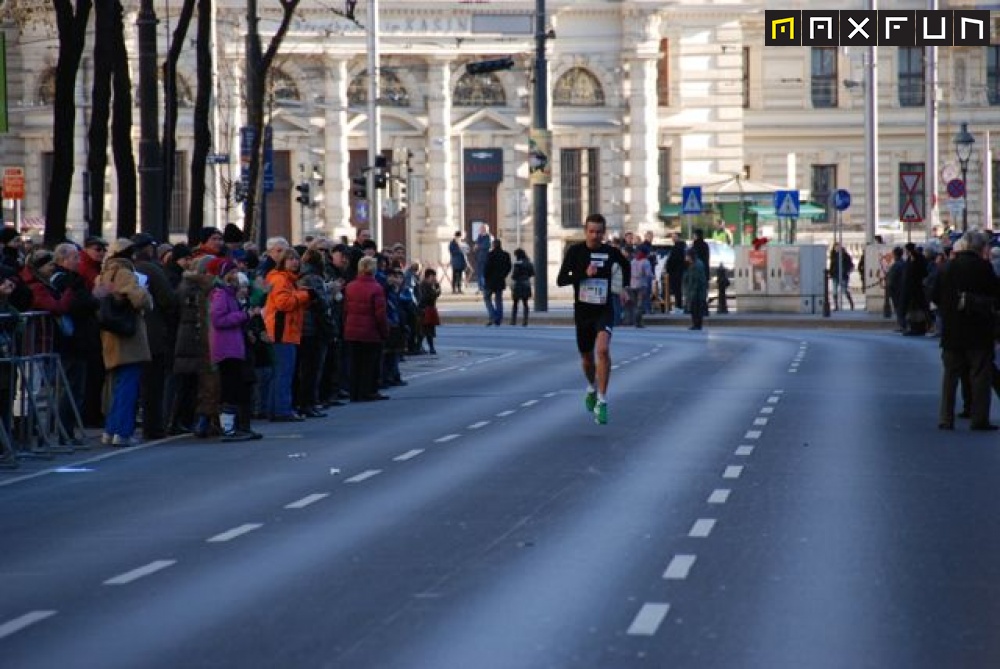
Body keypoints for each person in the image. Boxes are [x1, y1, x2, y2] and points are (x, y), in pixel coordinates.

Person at [556, 213, 630, 425]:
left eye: (599, 232)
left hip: (604, 309)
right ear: (585, 231)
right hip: (583, 312)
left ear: (603, 232)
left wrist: (623, 287)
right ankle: (591, 387)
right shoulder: (575, 252)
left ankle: (602, 400)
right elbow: (561, 280)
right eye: (591, 231)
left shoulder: (611, 252)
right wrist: (584, 273)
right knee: (588, 359)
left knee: (603, 350)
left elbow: (625, 267)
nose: (595, 236)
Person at [931, 230, 1000, 431]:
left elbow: (934, 295)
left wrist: (948, 309)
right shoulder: (984, 268)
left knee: (950, 376)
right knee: (980, 376)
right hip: (979, 330)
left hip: (952, 330)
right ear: (981, 248)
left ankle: (946, 418)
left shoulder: (946, 268)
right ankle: (979, 419)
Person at [343, 256, 389, 402]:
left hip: (352, 330)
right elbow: (380, 314)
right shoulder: (376, 288)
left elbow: (345, 310)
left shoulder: (350, 286)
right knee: (370, 364)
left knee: (354, 363)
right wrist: (384, 331)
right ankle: (368, 391)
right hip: (370, 331)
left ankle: (354, 392)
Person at [483, 238, 512, 327]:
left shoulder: (490, 255)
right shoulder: (506, 255)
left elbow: (487, 268)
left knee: (487, 298)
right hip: (500, 280)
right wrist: (503, 275)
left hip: (490, 281)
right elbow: (509, 267)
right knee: (498, 300)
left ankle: (493, 316)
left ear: (493, 245)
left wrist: (485, 277)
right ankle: (498, 319)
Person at [682, 248, 708, 330]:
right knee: (695, 308)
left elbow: (695, 280)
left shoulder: (696, 265)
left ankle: (697, 324)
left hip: (697, 291)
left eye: (687, 256)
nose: (685, 257)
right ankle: (696, 324)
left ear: (690, 256)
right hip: (696, 290)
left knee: (695, 308)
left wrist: (691, 293)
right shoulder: (694, 264)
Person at [417, 268, 441, 354]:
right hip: (425, 309)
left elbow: (435, 295)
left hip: (430, 309)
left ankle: (430, 347)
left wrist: (437, 288)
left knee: (429, 330)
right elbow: (427, 297)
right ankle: (420, 347)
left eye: (435, 276)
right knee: (424, 330)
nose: (434, 278)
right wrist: (436, 291)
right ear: (428, 277)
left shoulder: (430, 285)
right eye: (432, 276)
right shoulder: (424, 285)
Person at [510, 248, 534, 327]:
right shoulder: (528, 262)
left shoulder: (517, 263)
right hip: (526, 283)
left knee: (515, 303)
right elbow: (532, 273)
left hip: (518, 284)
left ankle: (513, 320)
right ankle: (525, 320)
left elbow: (514, 275)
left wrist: (514, 278)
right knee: (525, 303)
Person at [829, 242, 855, 310]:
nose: (836, 248)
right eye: (835, 247)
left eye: (838, 247)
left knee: (844, 290)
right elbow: (832, 266)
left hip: (843, 275)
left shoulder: (845, 255)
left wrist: (847, 271)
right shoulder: (833, 256)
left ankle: (851, 303)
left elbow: (851, 265)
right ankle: (836, 306)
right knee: (834, 291)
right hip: (835, 275)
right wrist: (830, 273)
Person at [474, 225, 492, 293]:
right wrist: (476, 247)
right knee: (479, 273)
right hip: (479, 258)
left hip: (485, 258)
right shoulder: (479, 236)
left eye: (481, 229)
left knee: (484, 274)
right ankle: (480, 287)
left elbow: (486, 246)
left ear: (485, 229)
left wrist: (478, 246)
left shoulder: (489, 236)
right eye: (480, 229)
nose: (480, 230)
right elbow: (476, 245)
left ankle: (484, 287)